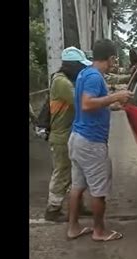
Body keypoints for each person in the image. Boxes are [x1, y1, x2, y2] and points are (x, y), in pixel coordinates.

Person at [67, 39, 133, 241]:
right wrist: (117, 96)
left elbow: (91, 104)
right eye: (114, 59)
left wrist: (112, 106)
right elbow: (87, 104)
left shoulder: (84, 74)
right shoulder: (95, 77)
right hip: (91, 142)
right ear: (111, 58)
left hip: (77, 138)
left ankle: (73, 228)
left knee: (77, 186)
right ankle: (99, 231)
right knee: (98, 191)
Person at [44, 47, 93, 222]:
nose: (83, 70)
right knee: (62, 172)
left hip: (70, 133)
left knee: (76, 172)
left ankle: (77, 206)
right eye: (81, 66)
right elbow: (80, 102)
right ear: (72, 66)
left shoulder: (66, 80)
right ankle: (53, 209)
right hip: (61, 135)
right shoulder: (61, 82)